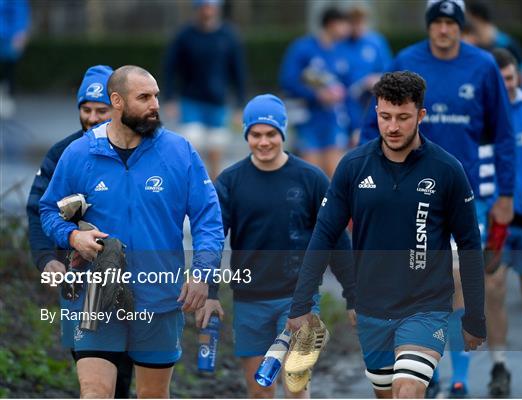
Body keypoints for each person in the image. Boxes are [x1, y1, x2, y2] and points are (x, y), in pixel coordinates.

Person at [287, 71, 486, 399]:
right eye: (385, 117)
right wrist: (300, 304)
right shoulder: (353, 167)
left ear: (421, 115)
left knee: (406, 390)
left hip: (427, 305)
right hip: (373, 308)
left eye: (403, 118)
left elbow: (469, 244)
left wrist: (475, 315)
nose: (393, 127)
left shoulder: (447, 169)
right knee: (386, 392)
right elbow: (324, 234)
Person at [40, 65, 224, 398]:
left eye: (156, 95)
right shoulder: (79, 153)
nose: (155, 104)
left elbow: (208, 219)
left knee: (152, 395)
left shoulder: (179, 152)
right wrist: (72, 237)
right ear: (117, 101)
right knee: (95, 391)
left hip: (160, 299)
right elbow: (48, 210)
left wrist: (201, 274)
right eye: (144, 97)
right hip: (92, 296)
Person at [361, 2, 514, 396]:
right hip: (409, 192)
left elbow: (503, 135)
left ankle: (459, 377)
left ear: (460, 27)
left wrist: (506, 194)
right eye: (438, 23)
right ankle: (427, 371)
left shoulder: (482, 66)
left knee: (461, 280)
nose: (444, 30)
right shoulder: (406, 61)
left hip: (467, 195)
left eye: (451, 23)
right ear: (429, 26)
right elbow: (374, 123)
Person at [197, 94, 356, 398]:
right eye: (255, 134)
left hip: (299, 298)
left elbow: (337, 239)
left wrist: (352, 295)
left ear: (283, 132)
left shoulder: (311, 178)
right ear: (246, 135)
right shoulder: (230, 182)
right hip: (250, 300)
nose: (264, 142)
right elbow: (212, 239)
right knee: (260, 390)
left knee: (296, 387)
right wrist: (210, 294)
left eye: (271, 134)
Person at [26, 65, 136, 399]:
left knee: (124, 369)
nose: (91, 117)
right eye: (85, 110)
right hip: (79, 276)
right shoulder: (62, 154)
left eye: (100, 110)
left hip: (132, 276)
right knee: (90, 368)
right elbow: (38, 210)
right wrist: (47, 260)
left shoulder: (139, 149)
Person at [484, 48, 522, 397]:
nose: (503, 86)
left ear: (517, 76)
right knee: (493, 289)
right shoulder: (480, 118)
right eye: (497, 80)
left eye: (509, 79)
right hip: (494, 224)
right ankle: (499, 365)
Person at [163, 0, 246, 180]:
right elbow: (170, 68)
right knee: (194, 145)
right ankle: (196, 187)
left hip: (218, 101)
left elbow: (238, 71)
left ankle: (214, 190)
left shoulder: (228, 36)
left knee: (216, 148)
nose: (207, 11)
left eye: (211, 7)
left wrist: (240, 104)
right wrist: (169, 99)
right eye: (203, 7)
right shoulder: (185, 36)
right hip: (191, 100)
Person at [279, 7, 351, 177]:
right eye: (344, 24)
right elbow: (288, 80)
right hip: (308, 119)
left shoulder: (341, 51)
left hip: (333, 119)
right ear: (332, 24)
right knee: (313, 173)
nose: (347, 29)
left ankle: (334, 205)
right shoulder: (302, 48)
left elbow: (346, 87)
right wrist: (316, 95)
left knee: (335, 173)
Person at [340, 5, 393, 145]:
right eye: (353, 23)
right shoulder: (339, 44)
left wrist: (376, 79)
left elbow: (389, 71)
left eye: (360, 22)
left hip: (370, 102)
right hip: (345, 105)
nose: (357, 27)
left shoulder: (376, 42)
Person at [466, 1, 522, 75]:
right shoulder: (471, 43)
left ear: (476, 17)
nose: (466, 19)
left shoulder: (506, 43)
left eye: (468, 16)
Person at [0, 0, 30, 119]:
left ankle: (7, 98)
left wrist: (20, 31)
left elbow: (20, 11)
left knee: (8, 68)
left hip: (6, 35)